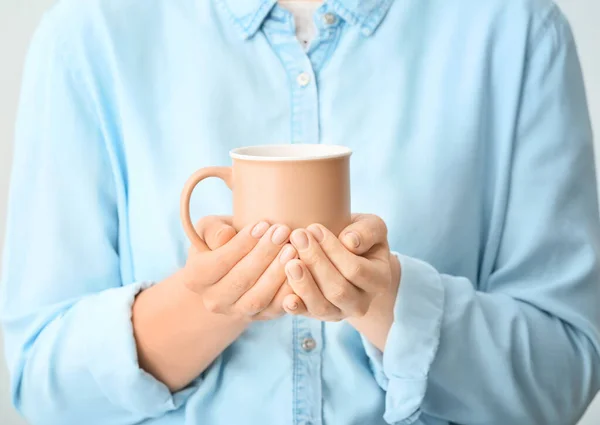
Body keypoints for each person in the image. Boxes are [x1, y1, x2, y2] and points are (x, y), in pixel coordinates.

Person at [1, 0, 599, 424]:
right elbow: (41, 380)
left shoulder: (518, 30)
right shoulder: (88, 36)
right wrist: (208, 301)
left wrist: (389, 300)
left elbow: (564, 376)